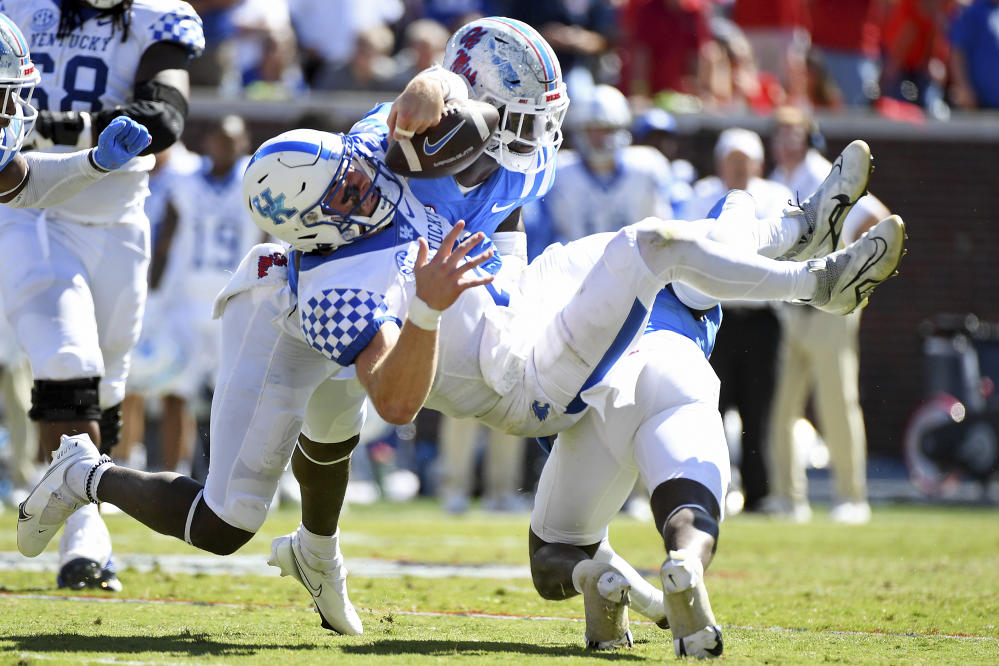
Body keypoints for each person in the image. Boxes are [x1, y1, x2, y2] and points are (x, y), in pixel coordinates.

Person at [17, 17, 905, 648]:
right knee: (226, 519)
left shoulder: (397, 146)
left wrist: (435, 88)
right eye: (351, 202)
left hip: (467, 314)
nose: (365, 194)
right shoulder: (340, 272)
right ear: (330, 219)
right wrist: (433, 303)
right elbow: (399, 402)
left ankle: (796, 234)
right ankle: (87, 473)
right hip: (312, 319)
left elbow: (411, 111)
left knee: (336, 432)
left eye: (362, 183)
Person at [4, 0, 203, 591]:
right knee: (68, 360)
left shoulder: (159, 16)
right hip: (25, 208)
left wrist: (68, 130)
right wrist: (71, 130)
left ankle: (85, 508)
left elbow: (164, 116)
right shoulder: (18, 6)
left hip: (116, 216)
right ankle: (85, 532)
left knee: (112, 378)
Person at [766, 106, 891, 524]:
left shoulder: (825, 173)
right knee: (781, 408)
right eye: (779, 133)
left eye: (793, 133)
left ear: (809, 138)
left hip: (828, 305)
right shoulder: (775, 182)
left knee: (837, 403)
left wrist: (850, 273)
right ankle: (789, 499)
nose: (785, 141)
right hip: (789, 308)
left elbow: (876, 217)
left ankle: (851, 497)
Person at [679, 128, 792, 514]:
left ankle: (761, 495)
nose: (738, 167)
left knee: (759, 411)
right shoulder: (701, 195)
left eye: (745, 160)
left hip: (761, 317)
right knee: (710, 407)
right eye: (731, 159)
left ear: (759, 163)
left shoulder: (776, 196)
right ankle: (711, 491)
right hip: (715, 316)